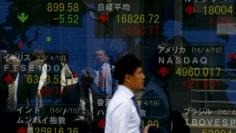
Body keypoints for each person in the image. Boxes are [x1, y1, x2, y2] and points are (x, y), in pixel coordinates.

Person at [105, 54, 150, 133]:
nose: (143, 76)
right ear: (128, 78)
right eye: (139, 73)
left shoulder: (126, 99)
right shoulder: (123, 103)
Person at [0, 55, 30, 132]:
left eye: (15, 64)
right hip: (5, 116)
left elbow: (30, 97)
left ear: (19, 66)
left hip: (21, 116)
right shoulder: (2, 78)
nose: (12, 66)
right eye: (10, 64)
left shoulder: (25, 79)